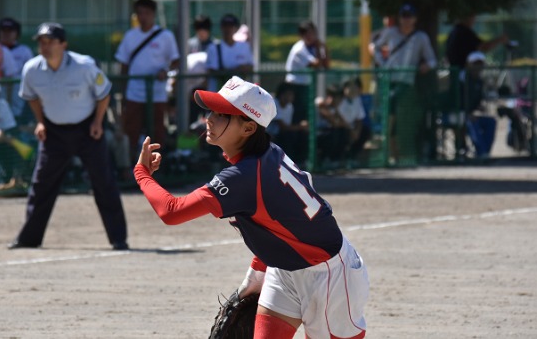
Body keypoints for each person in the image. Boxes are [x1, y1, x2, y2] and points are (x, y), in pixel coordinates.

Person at [134, 75, 369, 339]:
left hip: (330, 276)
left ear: (248, 128)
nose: (209, 118)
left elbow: (172, 211)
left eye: (223, 114)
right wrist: (258, 271)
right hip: (283, 270)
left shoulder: (244, 176)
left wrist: (142, 173)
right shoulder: (270, 152)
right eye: (212, 110)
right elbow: (278, 223)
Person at [8, 22, 128, 250]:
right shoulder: (31, 69)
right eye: (41, 42)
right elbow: (31, 97)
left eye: (50, 42)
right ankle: (28, 239)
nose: (45, 46)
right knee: (41, 185)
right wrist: (41, 123)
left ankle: (119, 238)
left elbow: (104, 93)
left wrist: (97, 122)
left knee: (104, 182)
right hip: (53, 131)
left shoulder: (84, 66)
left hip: (87, 129)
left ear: (63, 44)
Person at [115, 0, 180, 162]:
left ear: (153, 14)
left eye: (146, 13)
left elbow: (175, 61)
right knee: (132, 129)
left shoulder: (165, 36)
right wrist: (122, 92)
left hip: (157, 92)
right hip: (134, 92)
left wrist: (165, 71)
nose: (143, 17)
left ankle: (157, 164)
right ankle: (130, 165)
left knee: (157, 129)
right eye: (139, 13)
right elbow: (123, 64)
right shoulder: (130, 36)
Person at [372, 4, 437, 164]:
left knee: (403, 121)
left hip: (407, 83)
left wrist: (425, 66)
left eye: (410, 16)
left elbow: (432, 60)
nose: (406, 20)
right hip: (389, 81)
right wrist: (383, 63)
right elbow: (376, 48)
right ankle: (389, 154)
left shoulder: (421, 37)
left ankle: (403, 155)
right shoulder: (391, 32)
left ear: (415, 19)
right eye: (404, 16)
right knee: (389, 118)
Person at [285, 20, 330, 123]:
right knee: (296, 116)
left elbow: (326, 66)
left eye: (313, 33)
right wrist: (319, 47)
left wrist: (325, 48)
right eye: (307, 33)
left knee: (307, 117)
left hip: (306, 87)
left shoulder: (313, 48)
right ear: (301, 35)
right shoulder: (299, 49)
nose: (311, 36)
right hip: (295, 87)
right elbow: (316, 65)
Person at [0, 17, 35, 125]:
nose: (6, 34)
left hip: (18, 94)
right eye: (3, 31)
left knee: (18, 121)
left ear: (17, 33)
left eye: (10, 31)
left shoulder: (24, 50)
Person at [460, 51, 496, 158]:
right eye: (475, 64)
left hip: (472, 113)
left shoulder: (479, 81)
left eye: (480, 64)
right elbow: (458, 100)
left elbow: (477, 101)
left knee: (491, 121)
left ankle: (485, 153)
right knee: (472, 122)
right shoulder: (461, 78)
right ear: (469, 64)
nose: (478, 67)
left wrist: (479, 108)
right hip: (460, 113)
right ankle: (482, 152)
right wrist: (467, 113)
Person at [205, 13, 253, 91]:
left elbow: (250, 67)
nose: (228, 29)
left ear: (236, 28)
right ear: (221, 27)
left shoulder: (244, 46)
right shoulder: (213, 48)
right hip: (219, 91)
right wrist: (235, 71)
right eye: (225, 25)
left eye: (231, 26)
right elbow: (211, 70)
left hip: (240, 92)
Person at [266, 82, 309, 166]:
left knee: (300, 135)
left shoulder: (290, 107)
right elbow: (283, 127)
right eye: (287, 94)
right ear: (281, 94)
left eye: (291, 95)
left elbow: (287, 127)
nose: (289, 97)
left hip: (281, 134)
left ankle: (298, 162)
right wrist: (301, 126)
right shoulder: (273, 103)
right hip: (269, 135)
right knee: (288, 137)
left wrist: (302, 128)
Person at [338, 77, 371, 161]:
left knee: (365, 131)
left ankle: (351, 158)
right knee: (340, 134)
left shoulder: (357, 99)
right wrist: (351, 130)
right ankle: (336, 159)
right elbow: (339, 119)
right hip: (340, 127)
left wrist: (357, 131)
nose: (353, 90)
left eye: (355, 87)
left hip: (351, 128)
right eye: (350, 87)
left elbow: (359, 118)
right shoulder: (340, 100)